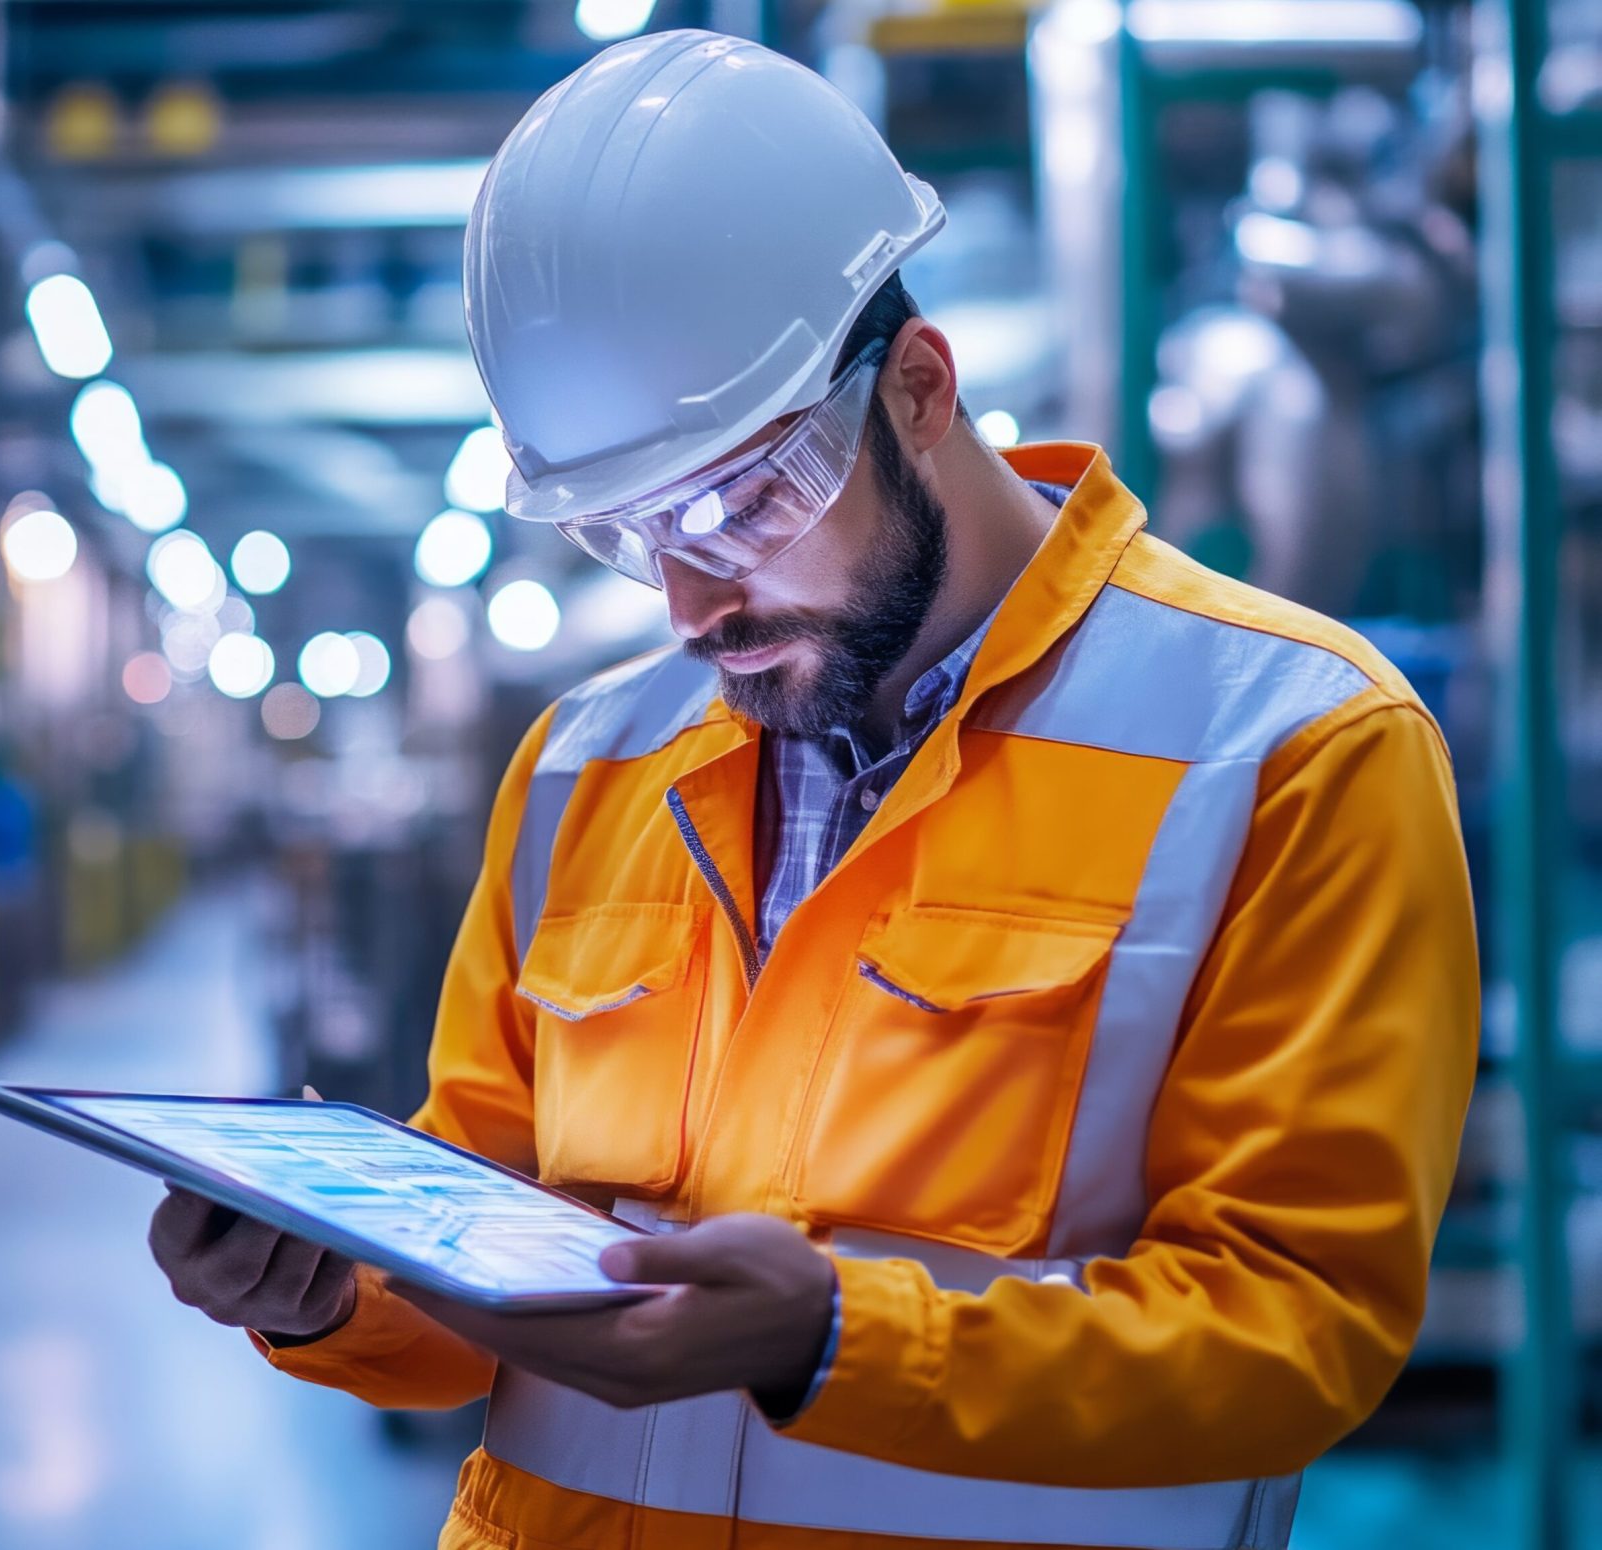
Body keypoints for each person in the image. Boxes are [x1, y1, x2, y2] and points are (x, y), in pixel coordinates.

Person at [148, 30, 1478, 1550]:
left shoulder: (1290, 745)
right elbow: (475, 1245)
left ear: (920, 387)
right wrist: (330, 1290)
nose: (693, 602)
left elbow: (1294, 1327)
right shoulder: (592, 761)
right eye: (634, 532)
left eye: (743, 499)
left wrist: (838, 1338)